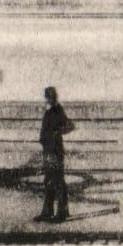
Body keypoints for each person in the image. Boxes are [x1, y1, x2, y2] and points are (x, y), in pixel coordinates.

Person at [37, 85, 72, 222]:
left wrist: (57, 134)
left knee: (58, 181)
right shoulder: (50, 110)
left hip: (55, 151)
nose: (48, 99)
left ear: (53, 97)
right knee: (49, 181)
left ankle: (62, 213)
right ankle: (47, 212)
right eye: (47, 97)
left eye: (50, 97)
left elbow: (69, 125)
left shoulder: (57, 110)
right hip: (48, 150)